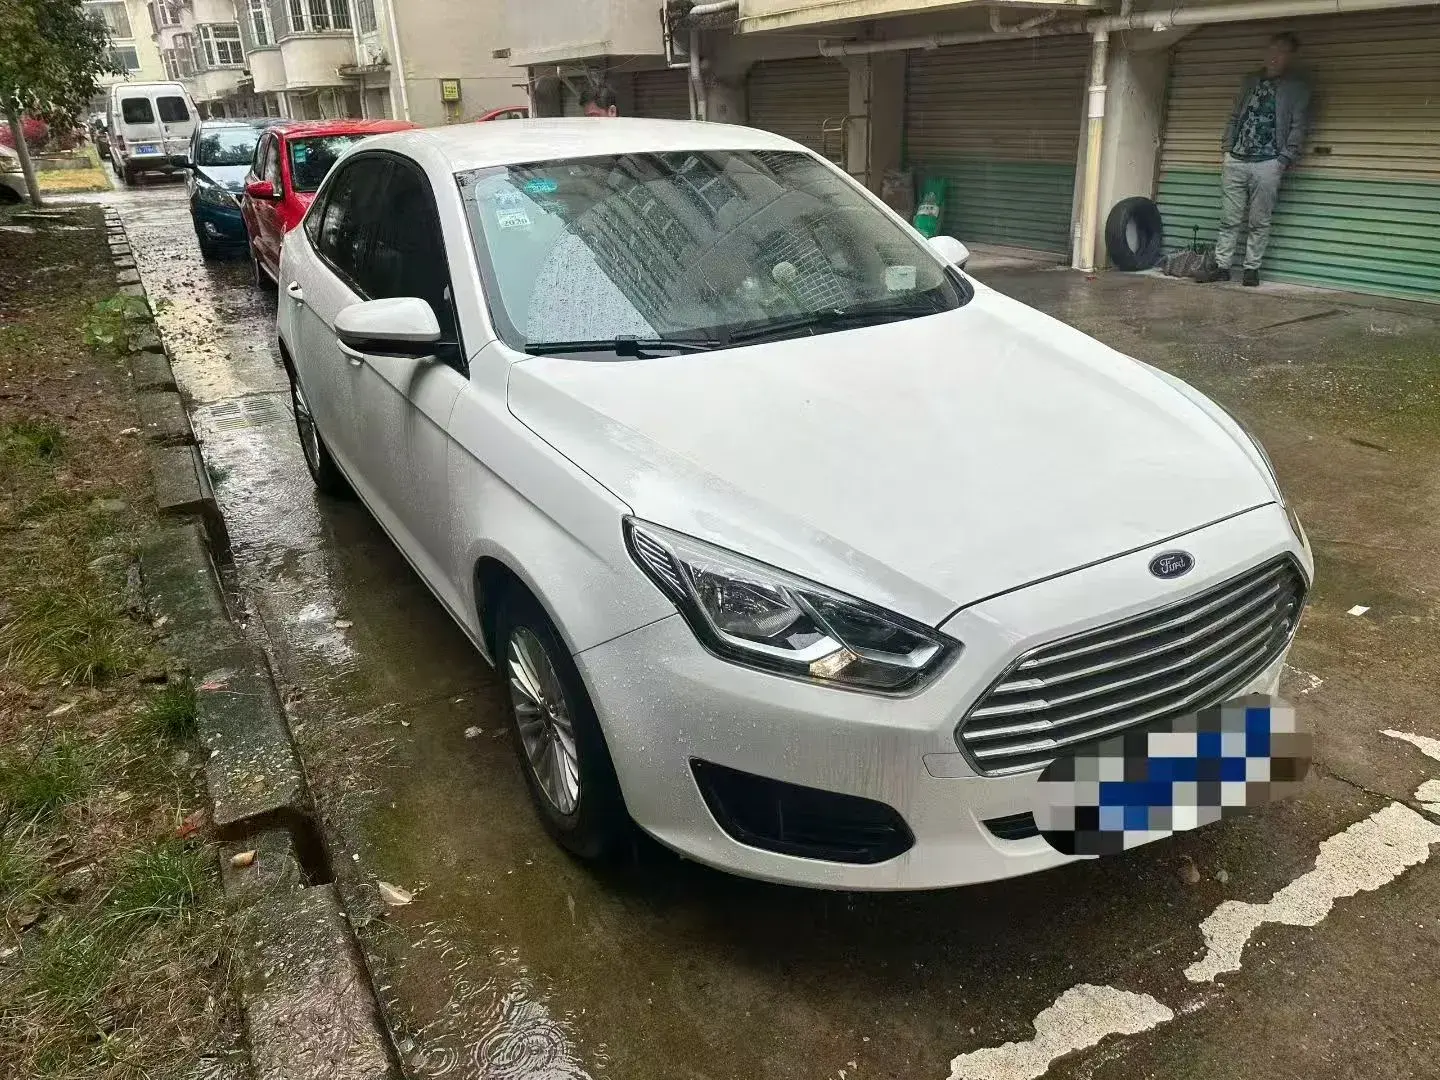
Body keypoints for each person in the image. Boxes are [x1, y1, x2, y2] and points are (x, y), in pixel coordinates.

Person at [1206, 32, 1310, 286]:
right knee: (1229, 218)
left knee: (1259, 221)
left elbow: (1299, 126)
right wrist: (1227, 149)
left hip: (1269, 162)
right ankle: (1222, 266)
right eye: (1272, 50)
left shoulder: (1297, 88)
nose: (1275, 56)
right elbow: (1235, 115)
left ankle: (1251, 269)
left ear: (1290, 57)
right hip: (1237, 159)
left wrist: (1284, 158)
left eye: (1282, 52)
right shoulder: (1250, 81)